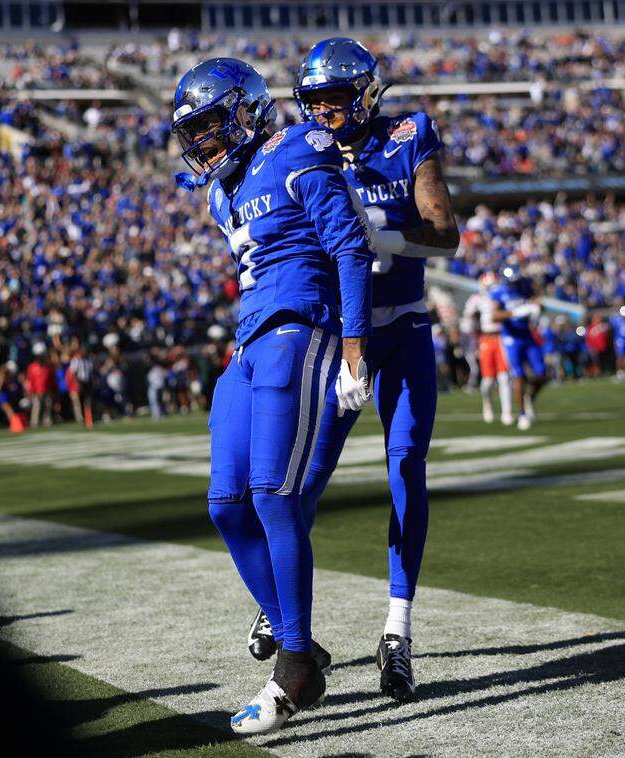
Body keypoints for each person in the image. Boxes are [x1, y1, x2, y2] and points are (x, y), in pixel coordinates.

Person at [170, 56, 373, 733]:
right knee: (226, 504)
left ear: (245, 109)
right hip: (248, 342)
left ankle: (291, 668)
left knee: (272, 494)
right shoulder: (219, 191)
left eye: (207, 125)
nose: (199, 142)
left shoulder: (297, 147)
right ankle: (301, 645)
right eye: (190, 132)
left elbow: (347, 247)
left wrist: (353, 347)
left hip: (299, 327)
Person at [285, 37, 459, 703]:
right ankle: (283, 607)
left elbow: (445, 230)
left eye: (338, 99)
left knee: (406, 463)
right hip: (338, 337)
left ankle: (397, 630)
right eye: (317, 102)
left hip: (407, 327)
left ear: (366, 94)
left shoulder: (408, 135)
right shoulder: (300, 151)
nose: (327, 113)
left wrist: (381, 236)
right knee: (303, 478)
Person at [491, 267, 545, 429]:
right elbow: (494, 315)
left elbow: (537, 300)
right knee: (518, 376)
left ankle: (530, 397)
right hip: (511, 339)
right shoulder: (499, 292)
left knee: (542, 374)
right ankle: (522, 414)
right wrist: (514, 313)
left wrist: (536, 307)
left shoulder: (524, 286)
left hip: (527, 336)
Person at [464, 272, 513, 424]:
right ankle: (488, 403)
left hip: (501, 337)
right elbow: (468, 319)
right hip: (485, 338)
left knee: (504, 377)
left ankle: (507, 412)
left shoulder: (502, 297)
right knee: (488, 381)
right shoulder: (476, 299)